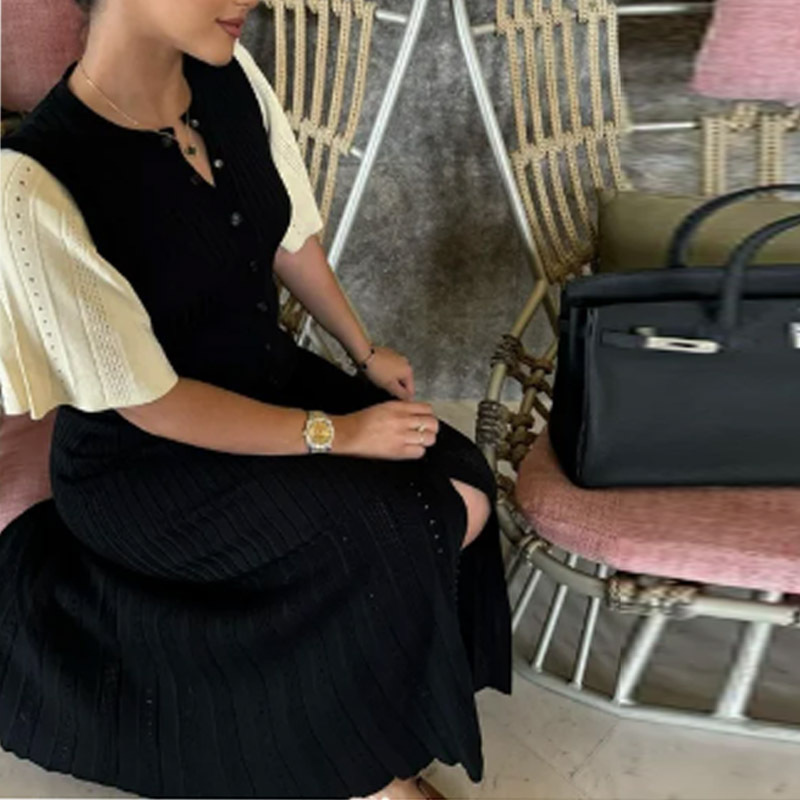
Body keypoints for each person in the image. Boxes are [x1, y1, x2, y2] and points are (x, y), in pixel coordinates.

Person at [0, 0, 512, 797]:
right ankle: (365, 774)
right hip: (141, 466)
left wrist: (363, 348)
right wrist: (339, 434)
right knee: (381, 530)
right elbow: (152, 403)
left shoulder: (231, 76)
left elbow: (289, 235)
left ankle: (364, 703)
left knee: (462, 480)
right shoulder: (34, 181)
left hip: (263, 376)